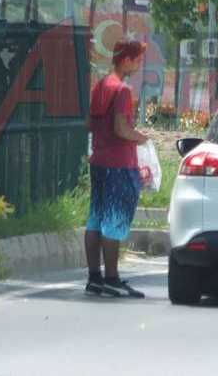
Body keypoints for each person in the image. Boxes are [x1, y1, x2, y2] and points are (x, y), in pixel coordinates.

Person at [85, 40, 150, 299]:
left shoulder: (100, 86)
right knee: (113, 221)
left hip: (99, 161)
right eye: (137, 60)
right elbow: (121, 128)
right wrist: (141, 138)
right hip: (119, 164)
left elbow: (90, 123)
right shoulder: (122, 90)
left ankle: (94, 278)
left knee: (95, 219)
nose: (139, 65)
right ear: (126, 60)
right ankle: (112, 279)